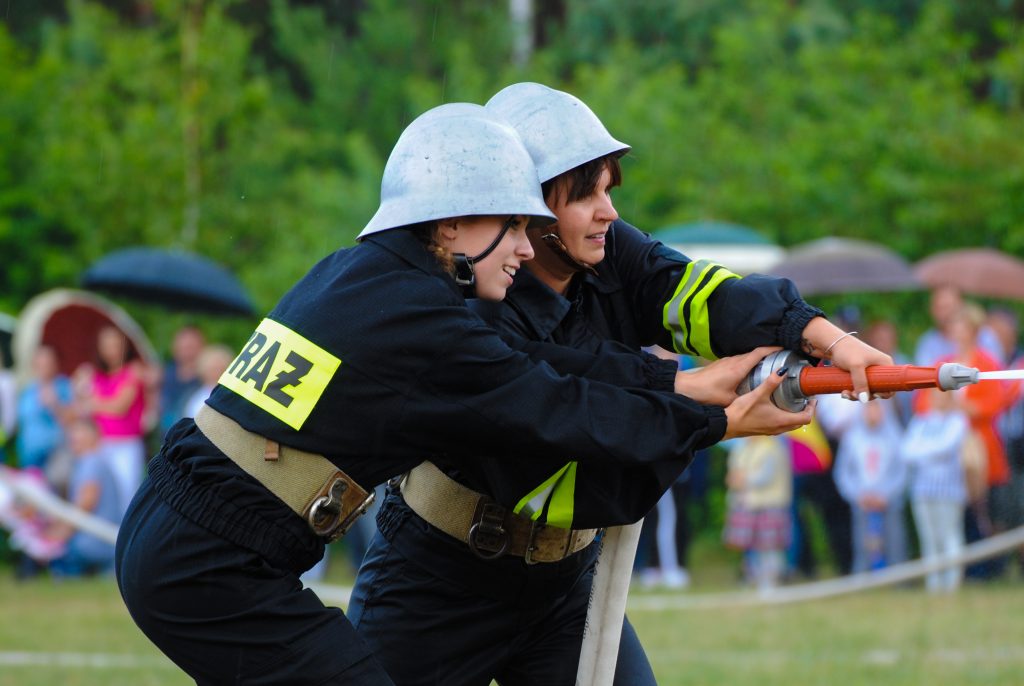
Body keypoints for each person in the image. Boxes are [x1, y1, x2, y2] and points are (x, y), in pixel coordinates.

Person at [114, 103, 809, 686]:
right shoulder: (427, 323)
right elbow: (550, 404)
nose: (526, 247)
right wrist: (709, 417)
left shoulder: (362, 277)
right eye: (510, 223)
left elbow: (543, 373)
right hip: (209, 566)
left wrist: (685, 387)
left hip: (183, 539)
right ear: (449, 227)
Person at [349, 83, 892, 686]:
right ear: (523, 204)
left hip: (566, 587)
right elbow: (580, 443)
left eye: (609, 189)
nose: (609, 211)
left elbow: (706, 296)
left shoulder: (607, 248)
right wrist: (717, 419)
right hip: (437, 582)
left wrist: (829, 339)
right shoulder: (467, 305)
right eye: (586, 194)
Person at [72, 326, 148, 519]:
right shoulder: (97, 377)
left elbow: (119, 407)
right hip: (101, 443)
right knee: (99, 492)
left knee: (126, 493)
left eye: (115, 344)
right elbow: (79, 407)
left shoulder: (133, 372)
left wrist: (92, 401)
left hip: (125, 444)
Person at [902, 387, 969, 592]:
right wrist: (930, 453)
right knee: (929, 538)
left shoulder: (958, 421)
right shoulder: (921, 422)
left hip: (950, 490)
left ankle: (952, 584)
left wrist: (924, 452)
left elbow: (946, 446)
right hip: (922, 489)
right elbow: (907, 451)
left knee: (949, 535)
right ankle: (934, 584)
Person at [832, 400, 908, 572]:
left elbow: (902, 471)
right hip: (863, 501)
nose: (873, 413)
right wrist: (858, 495)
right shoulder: (852, 438)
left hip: (888, 501)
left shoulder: (894, 436)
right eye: (869, 409)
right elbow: (843, 472)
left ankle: (899, 577)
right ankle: (863, 576)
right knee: (863, 542)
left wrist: (886, 495)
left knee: (894, 540)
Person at [47, 418, 121, 578]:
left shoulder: (91, 462)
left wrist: (60, 532)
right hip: (105, 542)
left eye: (78, 432)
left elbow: (86, 503)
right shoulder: (96, 461)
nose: (73, 437)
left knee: (56, 558)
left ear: (94, 435)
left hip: (94, 542)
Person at [723, 435, 792, 590]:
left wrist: (742, 479)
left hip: (769, 505)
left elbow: (765, 477)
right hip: (747, 505)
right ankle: (755, 578)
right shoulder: (742, 448)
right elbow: (733, 473)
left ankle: (771, 581)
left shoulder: (772, 447)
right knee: (752, 547)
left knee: (770, 547)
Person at [15, 346, 73, 473]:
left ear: (56, 364)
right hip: (28, 456)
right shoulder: (29, 389)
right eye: (40, 361)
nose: (43, 365)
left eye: (48, 362)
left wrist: (55, 405)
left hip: (53, 456)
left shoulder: (64, 386)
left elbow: (73, 421)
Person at [159, 325, 205, 436]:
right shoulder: (165, 373)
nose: (187, 351)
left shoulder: (206, 378)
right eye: (183, 346)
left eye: (191, 346)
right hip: (163, 438)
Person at [181, 344, 234, 420]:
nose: (216, 373)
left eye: (220, 368)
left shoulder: (234, 395)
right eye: (213, 369)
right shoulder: (195, 400)